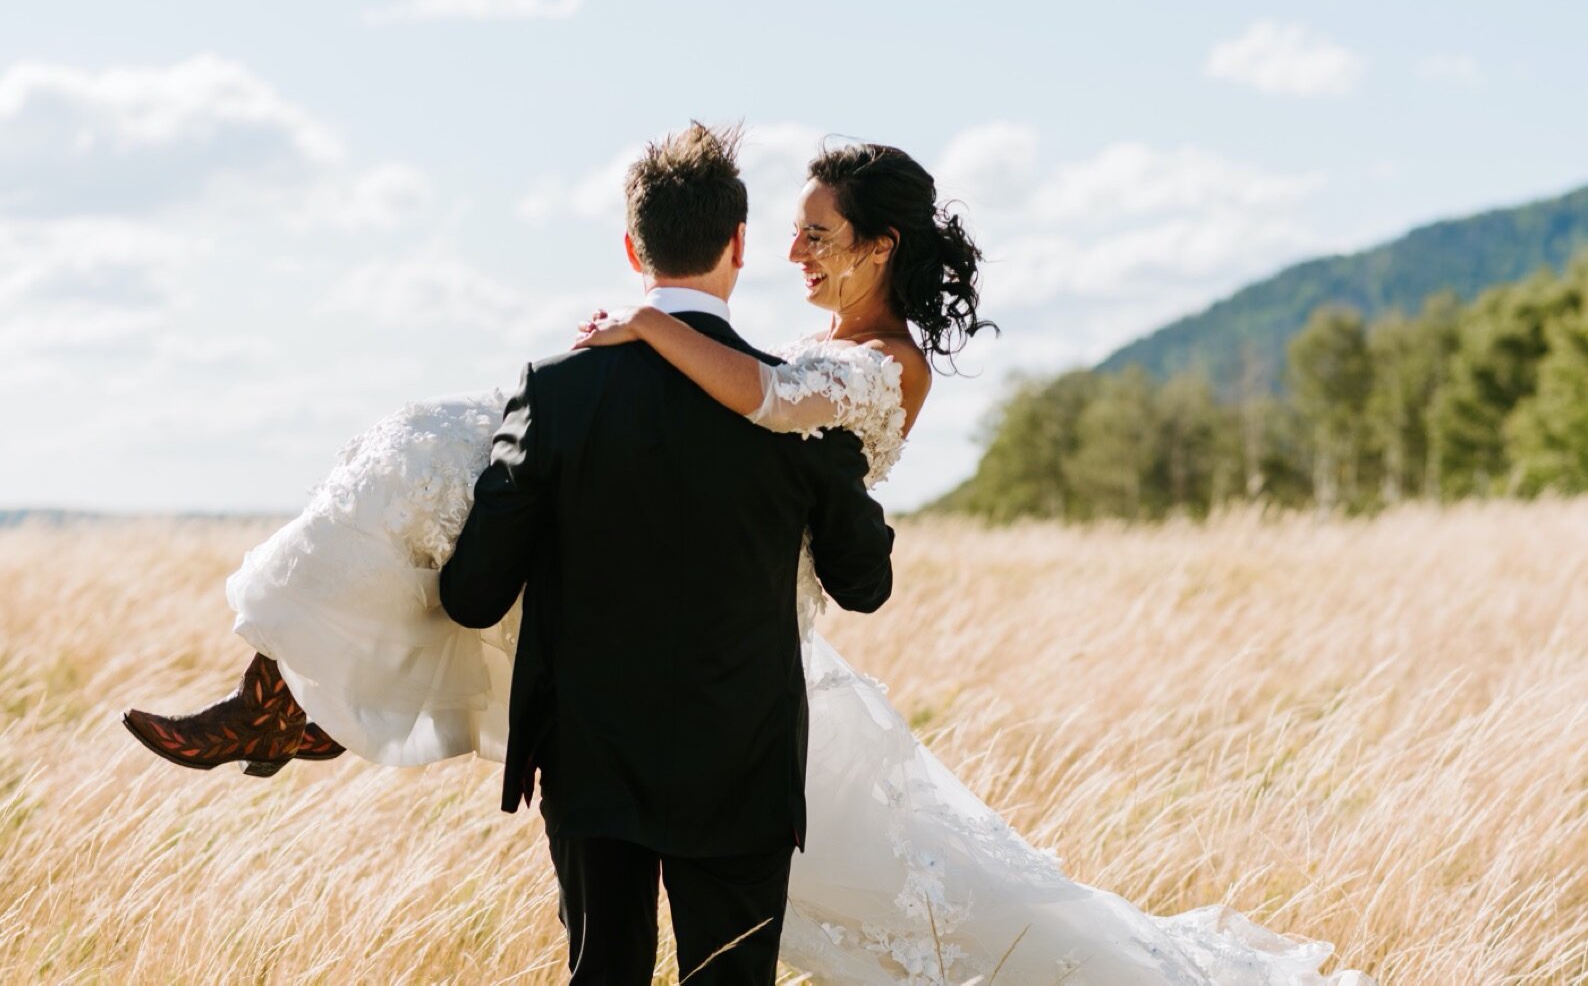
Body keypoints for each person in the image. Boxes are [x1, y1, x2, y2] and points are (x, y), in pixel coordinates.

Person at [123, 128, 1371, 984]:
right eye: (784, 232)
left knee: (971, 923)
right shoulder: (794, 355)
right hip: (709, 665)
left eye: (817, 232)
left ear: (880, 247)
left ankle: (293, 703)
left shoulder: (875, 370)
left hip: (754, 674)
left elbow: (773, 405)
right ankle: (292, 697)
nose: (793, 253)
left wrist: (646, 333)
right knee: (428, 457)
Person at [437, 125, 894, 983]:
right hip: (744, 764)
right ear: (740, 245)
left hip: (591, 758)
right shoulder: (801, 406)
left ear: (631, 247)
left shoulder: (556, 393)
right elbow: (864, 584)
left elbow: (472, 596)